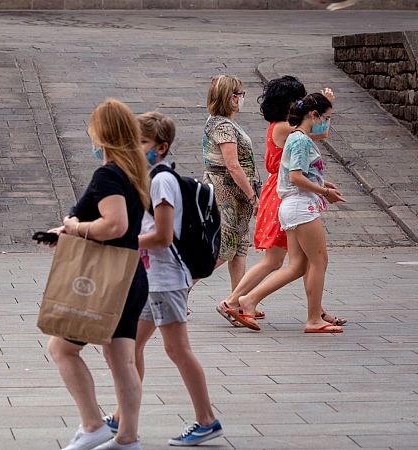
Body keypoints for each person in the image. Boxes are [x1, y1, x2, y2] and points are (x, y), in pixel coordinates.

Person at [105, 112, 223, 447]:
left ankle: (207, 420)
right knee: (130, 349)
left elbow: (163, 235)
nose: (134, 148)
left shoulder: (160, 181)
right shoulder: (148, 178)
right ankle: (121, 419)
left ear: (161, 147)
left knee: (178, 350)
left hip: (165, 280)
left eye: (141, 143)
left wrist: (125, 239)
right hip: (150, 279)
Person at [45, 99, 150, 450]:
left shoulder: (108, 174)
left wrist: (75, 228)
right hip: (129, 273)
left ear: (101, 134)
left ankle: (93, 424)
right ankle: (127, 438)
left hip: (107, 280)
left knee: (61, 348)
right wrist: (66, 232)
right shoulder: (134, 173)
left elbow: (114, 225)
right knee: (121, 358)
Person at [216, 77, 346, 327]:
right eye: (301, 100)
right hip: (285, 194)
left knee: (296, 260)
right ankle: (234, 301)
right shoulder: (289, 128)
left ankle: (314, 310)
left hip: (284, 192)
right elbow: (321, 134)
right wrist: (325, 104)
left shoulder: (284, 127)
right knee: (280, 260)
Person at [202, 75, 259, 291]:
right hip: (227, 191)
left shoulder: (221, 122)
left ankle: (238, 300)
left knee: (240, 247)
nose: (242, 98)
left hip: (235, 192)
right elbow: (233, 165)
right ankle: (183, 286)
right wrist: (253, 196)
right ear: (231, 97)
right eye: (240, 94)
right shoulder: (223, 126)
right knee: (227, 246)